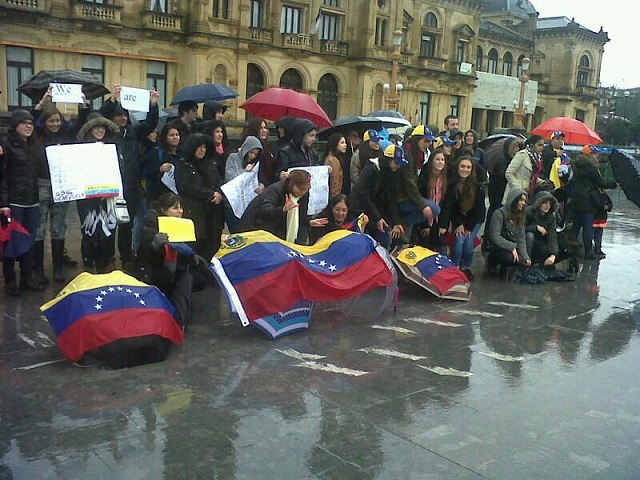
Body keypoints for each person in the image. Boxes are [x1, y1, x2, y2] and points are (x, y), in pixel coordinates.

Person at [32, 93, 90, 284]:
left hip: (61, 186)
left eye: (57, 120)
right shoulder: (36, 136)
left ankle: (57, 268)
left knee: (58, 228)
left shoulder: (66, 135)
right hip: (41, 185)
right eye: (51, 121)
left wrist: (82, 103)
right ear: (44, 122)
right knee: (39, 228)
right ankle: (38, 269)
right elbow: (32, 118)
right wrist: (42, 102)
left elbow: (82, 121)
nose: (55, 124)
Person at [138, 192, 209, 328]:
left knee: (191, 277)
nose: (180, 211)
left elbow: (187, 250)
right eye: (175, 208)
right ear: (164, 210)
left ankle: (180, 318)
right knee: (184, 278)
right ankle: (178, 320)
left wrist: (192, 256)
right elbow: (145, 255)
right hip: (158, 270)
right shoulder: (153, 225)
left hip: (176, 269)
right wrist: (155, 244)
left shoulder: (183, 225)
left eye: (181, 207)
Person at [0, 110, 45, 295]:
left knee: (28, 242)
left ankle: (27, 278)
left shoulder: (33, 145)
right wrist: (4, 203)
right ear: (15, 125)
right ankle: (10, 280)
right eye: (24, 123)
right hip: (14, 202)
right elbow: (2, 177)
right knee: (10, 242)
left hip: (32, 202)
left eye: (31, 123)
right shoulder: (6, 145)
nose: (29, 126)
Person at [76, 112, 122, 274]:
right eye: (96, 127)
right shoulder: (80, 148)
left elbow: (118, 170)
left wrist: (111, 189)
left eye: (102, 127)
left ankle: (105, 264)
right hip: (86, 198)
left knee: (108, 230)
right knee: (89, 229)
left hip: (107, 196)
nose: (100, 130)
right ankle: (88, 265)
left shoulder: (112, 147)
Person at [174, 133, 224, 258]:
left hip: (212, 214)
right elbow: (186, 187)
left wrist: (219, 195)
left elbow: (219, 182)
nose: (202, 150)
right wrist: (210, 193)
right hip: (193, 212)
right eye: (199, 147)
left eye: (204, 147)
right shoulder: (183, 165)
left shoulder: (210, 165)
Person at [349, 143, 405, 249]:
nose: (398, 166)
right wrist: (377, 217)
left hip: (378, 212)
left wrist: (396, 221)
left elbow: (392, 198)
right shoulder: (371, 169)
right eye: (396, 163)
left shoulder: (393, 172)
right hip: (361, 211)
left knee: (383, 242)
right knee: (364, 245)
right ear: (388, 160)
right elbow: (364, 195)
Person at [439, 156, 486, 281]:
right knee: (459, 241)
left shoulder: (478, 187)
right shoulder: (452, 185)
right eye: (462, 166)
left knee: (468, 243)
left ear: (472, 170)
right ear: (458, 167)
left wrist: (469, 227)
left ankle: (467, 267)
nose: (465, 169)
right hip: (459, 218)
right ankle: (455, 267)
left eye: (468, 167)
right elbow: (450, 208)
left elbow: (478, 210)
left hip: (474, 219)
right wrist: (457, 224)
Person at [238, 169, 312, 244]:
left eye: (305, 189)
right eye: (300, 189)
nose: (302, 192)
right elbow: (264, 211)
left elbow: (302, 216)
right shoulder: (274, 190)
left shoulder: (303, 193)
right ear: (292, 184)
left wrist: (308, 222)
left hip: (277, 229)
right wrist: (282, 209)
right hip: (257, 229)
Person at [571, 145, 617, 260]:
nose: (598, 156)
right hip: (588, 203)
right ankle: (588, 253)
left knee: (575, 228)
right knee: (587, 228)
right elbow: (601, 183)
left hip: (576, 200)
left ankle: (570, 251)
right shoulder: (592, 169)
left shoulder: (574, 166)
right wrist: (614, 184)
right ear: (589, 155)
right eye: (595, 154)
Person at [485, 187, 531, 276]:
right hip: (496, 247)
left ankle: (506, 267)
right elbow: (495, 237)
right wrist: (512, 247)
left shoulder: (520, 215)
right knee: (509, 257)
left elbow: (521, 238)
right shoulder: (499, 213)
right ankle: (491, 263)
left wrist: (526, 257)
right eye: (521, 200)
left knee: (523, 262)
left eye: (525, 201)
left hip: (511, 246)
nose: (523, 203)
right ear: (514, 200)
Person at [224, 135, 264, 233]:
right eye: (251, 153)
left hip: (247, 204)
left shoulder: (255, 163)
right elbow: (229, 178)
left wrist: (261, 187)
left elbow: (257, 179)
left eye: (255, 154)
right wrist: (244, 171)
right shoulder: (233, 157)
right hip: (232, 204)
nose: (252, 156)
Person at [485, 135, 525, 224]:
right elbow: (505, 174)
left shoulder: (510, 157)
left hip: (501, 189)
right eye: (515, 147)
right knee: (495, 210)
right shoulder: (503, 159)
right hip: (498, 189)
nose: (517, 149)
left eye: (518, 147)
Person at [417, 148, 448, 252]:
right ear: (431, 161)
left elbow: (448, 204)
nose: (440, 162)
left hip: (440, 219)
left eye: (442, 160)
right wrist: (424, 224)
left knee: (442, 248)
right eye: (437, 159)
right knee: (425, 248)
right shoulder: (424, 175)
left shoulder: (447, 177)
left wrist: (444, 224)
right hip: (425, 219)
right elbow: (420, 200)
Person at [142, 123, 182, 204]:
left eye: (177, 135)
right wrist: (159, 169)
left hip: (178, 196)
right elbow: (146, 173)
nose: (175, 137)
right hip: (159, 197)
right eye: (171, 135)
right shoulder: (156, 153)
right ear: (165, 137)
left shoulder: (182, 154)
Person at [502, 134, 547, 205]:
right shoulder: (522, 155)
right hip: (516, 193)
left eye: (543, 145)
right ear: (532, 145)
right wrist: (518, 188)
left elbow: (531, 176)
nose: (541, 148)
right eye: (539, 145)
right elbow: (509, 173)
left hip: (528, 193)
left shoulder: (537, 158)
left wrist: (542, 182)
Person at [525, 190, 559, 267]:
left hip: (540, 241)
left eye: (549, 204)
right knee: (530, 236)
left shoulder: (551, 216)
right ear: (539, 203)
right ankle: (526, 262)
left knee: (548, 251)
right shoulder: (528, 211)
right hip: (525, 241)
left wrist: (553, 254)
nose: (547, 206)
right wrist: (535, 227)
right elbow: (520, 229)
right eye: (545, 203)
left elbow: (552, 235)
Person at [242, 117, 277, 188]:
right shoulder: (252, 148)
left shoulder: (266, 147)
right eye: (261, 128)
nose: (264, 130)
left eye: (265, 128)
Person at [323, 133, 348, 198]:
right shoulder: (333, 160)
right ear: (335, 144)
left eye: (345, 142)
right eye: (342, 143)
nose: (345, 145)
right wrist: (335, 198)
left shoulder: (334, 158)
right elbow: (335, 182)